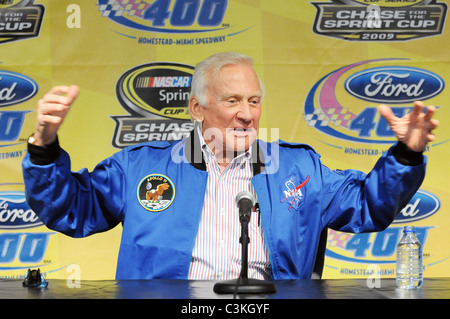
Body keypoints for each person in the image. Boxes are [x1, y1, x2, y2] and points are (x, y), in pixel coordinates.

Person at [22, 52, 438, 280]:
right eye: (232, 101)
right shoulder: (141, 167)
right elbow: (70, 209)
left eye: (254, 101)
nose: (246, 114)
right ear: (197, 109)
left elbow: (368, 205)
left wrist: (405, 155)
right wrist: (43, 147)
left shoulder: (296, 167)